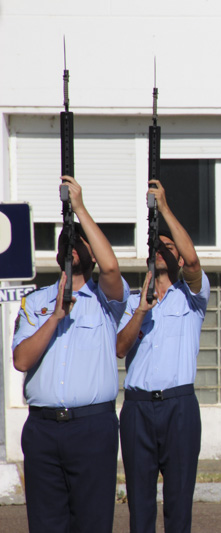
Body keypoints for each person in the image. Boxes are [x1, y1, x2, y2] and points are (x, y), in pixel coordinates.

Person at [12, 175, 129, 533]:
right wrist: (56, 317)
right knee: (46, 525)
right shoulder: (37, 302)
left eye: (80, 241)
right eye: (67, 240)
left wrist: (78, 207)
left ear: (91, 252)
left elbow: (111, 267)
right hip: (44, 428)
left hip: (91, 427)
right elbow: (21, 360)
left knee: (92, 524)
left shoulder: (106, 300)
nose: (72, 246)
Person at [116, 180, 210, 533]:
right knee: (140, 505)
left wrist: (164, 210)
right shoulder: (130, 300)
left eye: (168, 246)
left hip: (179, 407)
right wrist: (140, 311)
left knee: (178, 502)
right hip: (139, 407)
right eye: (156, 245)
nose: (163, 250)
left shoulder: (193, 297)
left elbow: (194, 260)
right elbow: (119, 348)